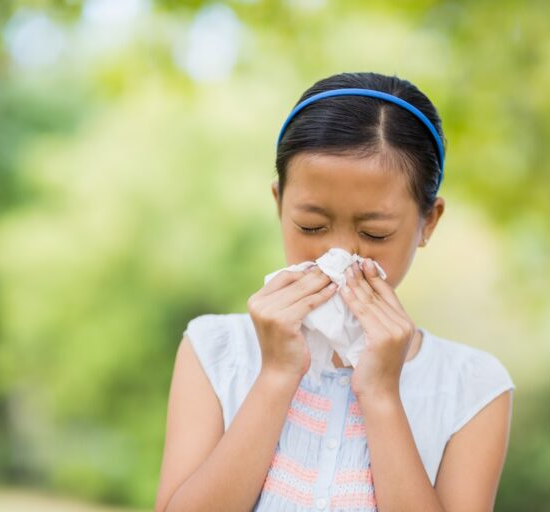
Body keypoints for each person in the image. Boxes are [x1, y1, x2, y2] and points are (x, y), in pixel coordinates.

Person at [155, 71, 515, 512]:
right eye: (311, 226)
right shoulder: (215, 350)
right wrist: (275, 376)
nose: (339, 254)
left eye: (375, 232)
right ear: (278, 204)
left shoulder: (473, 387)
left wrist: (382, 395)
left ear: (428, 222)